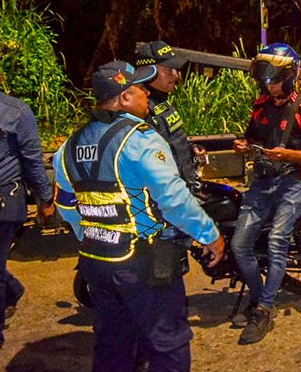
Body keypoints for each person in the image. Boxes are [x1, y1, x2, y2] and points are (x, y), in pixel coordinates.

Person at [53, 60, 224, 372]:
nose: (147, 92)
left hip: (96, 260)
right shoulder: (140, 138)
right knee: (167, 342)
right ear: (124, 99)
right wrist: (210, 235)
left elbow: (65, 204)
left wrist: (93, 234)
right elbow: (173, 199)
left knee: (112, 341)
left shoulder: (69, 145)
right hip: (142, 263)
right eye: (140, 88)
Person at [230, 44, 301, 345]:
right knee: (240, 243)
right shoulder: (260, 107)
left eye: (274, 78)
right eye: (265, 79)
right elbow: (251, 138)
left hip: (294, 182)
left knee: (276, 240)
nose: (268, 84)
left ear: (290, 76)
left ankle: (265, 309)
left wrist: (288, 154)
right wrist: (243, 145)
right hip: (263, 181)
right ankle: (261, 299)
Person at [0, 53, 55, 367]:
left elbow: (33, 160)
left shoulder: (16, 113)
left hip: (2, 200)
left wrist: (45, 200)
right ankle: (11, 290)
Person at [133, 41, 201, 183]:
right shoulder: (140, 108)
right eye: (168, 70)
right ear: (148, 71)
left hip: (185, 185)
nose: (175, 76)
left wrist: (192, 149)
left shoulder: (163, 100)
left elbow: (172, 141)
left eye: (176, 70)